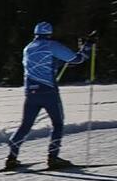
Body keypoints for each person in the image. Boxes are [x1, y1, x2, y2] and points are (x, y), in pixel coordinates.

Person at [5, 21, 94, 169]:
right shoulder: (51, 45)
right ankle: (53, 158)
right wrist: (88, 46)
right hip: (48, 92)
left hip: (30, 93)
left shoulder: (28, 48)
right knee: (57, 124)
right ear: (50, 33)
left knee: (25, 125)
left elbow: (46, 63)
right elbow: (77, 59)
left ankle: (11, 157)